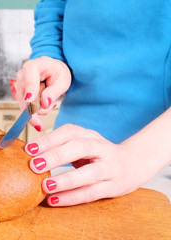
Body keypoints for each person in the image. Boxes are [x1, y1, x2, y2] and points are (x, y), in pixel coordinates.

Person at [15, 0, 171, 207]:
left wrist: (136, 158)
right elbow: (53, 9)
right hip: (69, 159)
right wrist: (52, 59)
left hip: (160, 164)